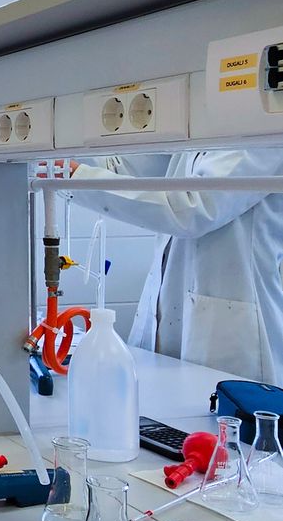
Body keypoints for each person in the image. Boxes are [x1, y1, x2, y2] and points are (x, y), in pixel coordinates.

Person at [74, 146, 283, 381]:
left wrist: (76, 176)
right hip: (172, 313)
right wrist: (56, 158)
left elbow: (191, 209)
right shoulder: (196, 133)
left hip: (232, 331)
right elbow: (119, 168)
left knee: (217, 400)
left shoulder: (263, 137)